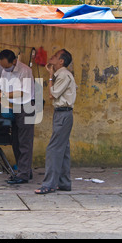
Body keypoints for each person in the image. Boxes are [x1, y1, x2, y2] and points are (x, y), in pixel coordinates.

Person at [0, 49, 35, 184]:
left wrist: (0, 96)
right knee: (15, 141)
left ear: (14, 61)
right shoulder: (5, 70)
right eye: (3, 67)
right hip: (14, 107)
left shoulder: (25, 71)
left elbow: (22, 92)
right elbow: (0, 87)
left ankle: (23, 174)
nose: (5, 69)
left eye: (7, 67)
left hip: (26, 106)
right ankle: (24, 170)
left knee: (25, 142)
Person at [35, 49, 76, 194]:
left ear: (61, 61)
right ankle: (64, 183)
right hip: (61, 114)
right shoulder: (62, 74)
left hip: (63, 114)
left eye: (55, 56)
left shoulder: (64, 74)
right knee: (63, 149)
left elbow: (53, 94)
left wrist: (50, 76)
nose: (52, 56)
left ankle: (49, 184)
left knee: (53, 149)